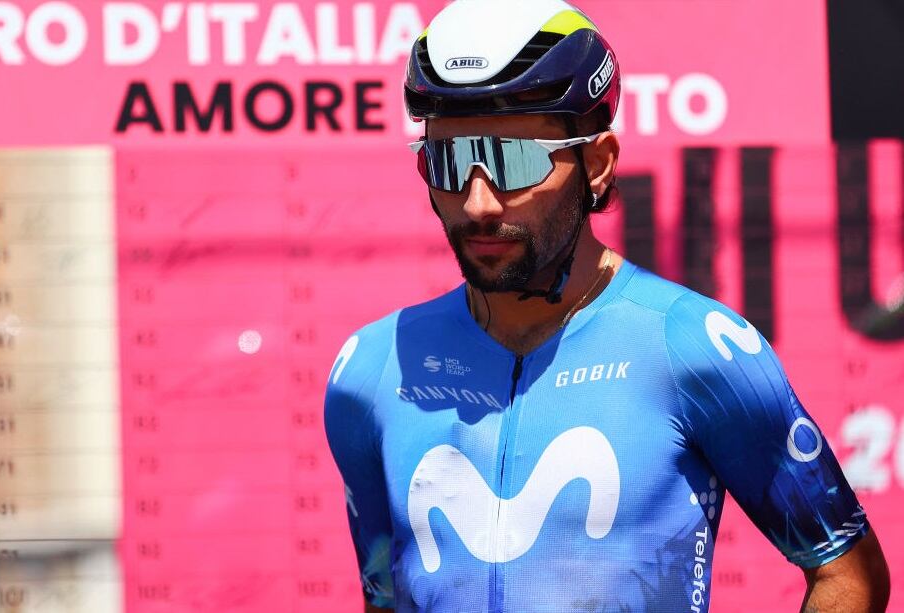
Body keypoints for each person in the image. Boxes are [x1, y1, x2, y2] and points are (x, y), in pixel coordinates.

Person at [323, 0, 891, 611]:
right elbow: (385, 595)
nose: (480, 203)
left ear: (596, 165)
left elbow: (848, 574)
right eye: (450, 161)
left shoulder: (693, 346)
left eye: (515, 162)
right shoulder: (372, 369)